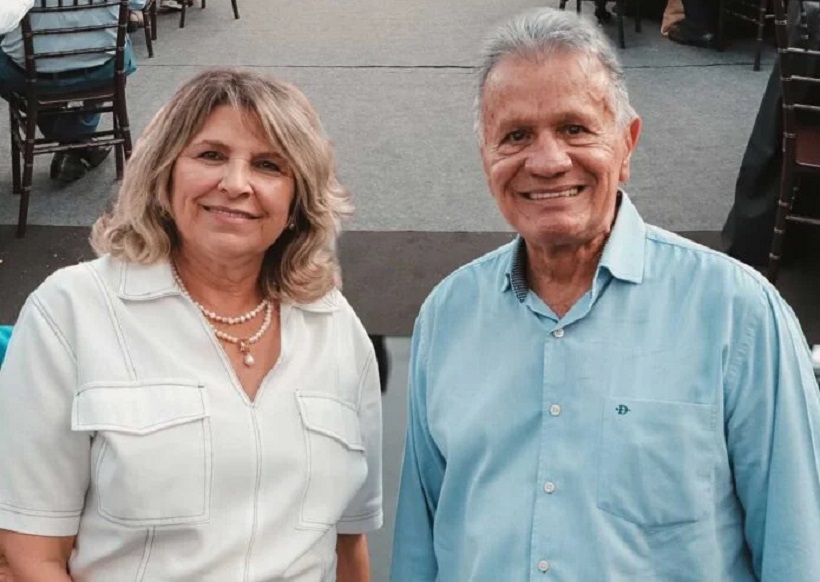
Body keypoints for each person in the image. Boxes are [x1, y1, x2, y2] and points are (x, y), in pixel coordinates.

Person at [391, 8, 820, 581]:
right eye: (516, 136)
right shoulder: (447, 316)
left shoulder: (738, 317)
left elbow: (798, 550)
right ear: (486, 158)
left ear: (627, 145)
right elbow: (419, 546)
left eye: (574, 128)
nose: (547, 162)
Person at [0, 68, 382, 581]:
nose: (236, 184)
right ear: (164, 175)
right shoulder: (72, 311)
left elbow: (348, 541)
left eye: (268, 165)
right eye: (211, 155)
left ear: (297, 201)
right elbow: (32, 553)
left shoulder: (336, 327)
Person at [0, 0, 145, 183]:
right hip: (102, 67)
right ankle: (78, 136)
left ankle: (63, 132)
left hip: (30, 73)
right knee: (121, 49)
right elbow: (138, 3)